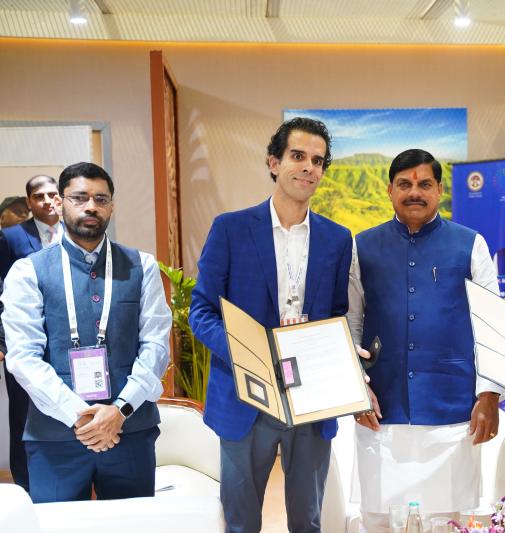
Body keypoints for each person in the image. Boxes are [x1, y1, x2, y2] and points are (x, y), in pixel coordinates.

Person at [189, 117, 352, 533]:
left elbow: (337, 314)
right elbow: (202, 312)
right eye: (298, 156)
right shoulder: (231, 229)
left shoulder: (337, 239)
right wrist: (253, 355)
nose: (308, 167)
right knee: (241, 524)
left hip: (311, 400)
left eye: (318, 160)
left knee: (307, 522)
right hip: (245, 397)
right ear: (274, 162)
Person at [347, 148, 505, 531]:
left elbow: (493, 326)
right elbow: (350, 322)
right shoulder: (362, 246)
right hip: (382, 409)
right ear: (390, 190)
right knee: (380, 519)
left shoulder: (470, 244)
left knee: (446, 520)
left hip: (451, 410)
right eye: (404, 184)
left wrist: (489, 395)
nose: (414, 192)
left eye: (424, 184)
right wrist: (355, 388)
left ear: (439, 190)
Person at [1, 162, 171, 503]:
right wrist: (79, 417)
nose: (91, 206)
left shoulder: (142, 266)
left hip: (129, 432)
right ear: (60, 203)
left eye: (101, 199)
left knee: (132, 525)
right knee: (58, 526)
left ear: (111, 206)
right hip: (55, 439)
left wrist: (119, 410)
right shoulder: (27, 271)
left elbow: (156, 345)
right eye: (79, 197)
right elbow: (23, 357)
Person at [0, 174, 62, 492]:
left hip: (68, 344)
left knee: (65, 408)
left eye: (52, 194)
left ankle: (68, 481)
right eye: (39, 196)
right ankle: (25, 486)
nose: (47, 201)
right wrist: (3, 341)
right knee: (23, 415)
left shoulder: (76, 233)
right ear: (29, 202)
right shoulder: (10, 237)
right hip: (23, 341)